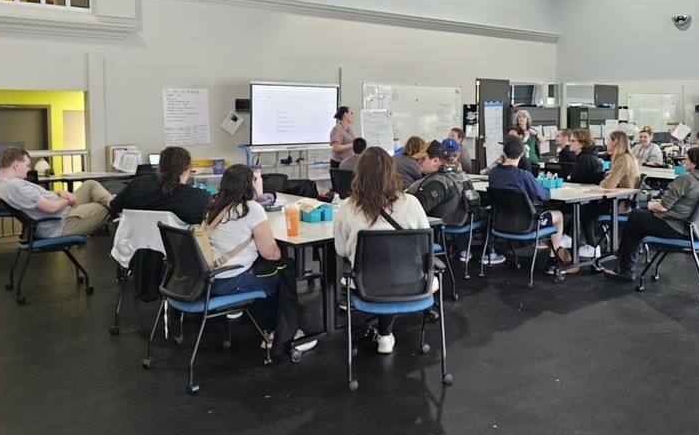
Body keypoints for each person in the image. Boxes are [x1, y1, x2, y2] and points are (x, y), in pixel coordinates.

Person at [203, 164, 316, 357]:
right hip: (230, 281)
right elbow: (270, 253)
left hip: (207, 278)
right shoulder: (251, 208)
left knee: (269, 269)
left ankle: (267, 325)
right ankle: (281, 335)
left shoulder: (214, 205)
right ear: (249, 185)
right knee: (282, 271)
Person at [333, 147, 431, 354]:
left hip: (365, 285)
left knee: (372, 270)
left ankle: (383, 333)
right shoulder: (411, 204)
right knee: (393, 269)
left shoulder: (348, 207)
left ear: (359, 174)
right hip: (411, 283)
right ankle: (385, 335)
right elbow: (425, 247)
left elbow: (341, 250)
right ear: (391, 172)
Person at [603, 146, 699, 282]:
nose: (683, 162)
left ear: (694, 164)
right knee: (636, 224)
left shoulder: (686, 180)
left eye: (686, 160)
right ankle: (624, 260)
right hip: (698, 229)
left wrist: (650, 204)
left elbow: (662, 207)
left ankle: (625, 266)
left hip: (676, 226)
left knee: (635, 215)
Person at [408, 140, 504, 266]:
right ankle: (487, 253)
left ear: (436, 160)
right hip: (463, 218)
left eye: (423, 158)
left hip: (447, 222)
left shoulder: (437, 182)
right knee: (491, 213)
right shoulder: (459, 173)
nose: (419, 162)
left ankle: (466, 249)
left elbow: (418, 209)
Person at [487, 136, 570, 273]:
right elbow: (544, 196)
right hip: (528, 224)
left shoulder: (494, 173)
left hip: (500, 222)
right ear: (522, 154)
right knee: (559, 216)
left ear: (503, 153)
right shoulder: (524, 175)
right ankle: (552, 260)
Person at [0, 146, 113, 238]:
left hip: (62, 212)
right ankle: (120, 208)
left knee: (90, 185)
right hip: (62, 221)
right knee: (104, 207)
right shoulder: (15, 187)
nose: (29, 170)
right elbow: (51, 208)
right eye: (28, 165)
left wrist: (59, 192)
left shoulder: (2, 183)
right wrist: (66, 200)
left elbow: (37, 198)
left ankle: (116, 205)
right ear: (16, 165)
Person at [109, 146, 210, 224]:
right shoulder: (199, 199)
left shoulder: (138, 184)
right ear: (187, 168)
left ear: (160, 167)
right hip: (175, 250)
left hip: (132, 248)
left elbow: (114, 206)